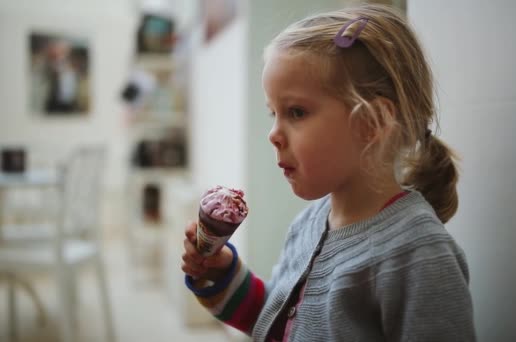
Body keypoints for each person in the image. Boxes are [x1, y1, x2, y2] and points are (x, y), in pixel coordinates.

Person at [181, 4, 475, 341]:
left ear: (371, 123)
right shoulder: (308, 225)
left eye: (296, 112)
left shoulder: (418, 254)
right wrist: (222, 275)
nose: (273, 134)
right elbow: (276, 323)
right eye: (272, 113)